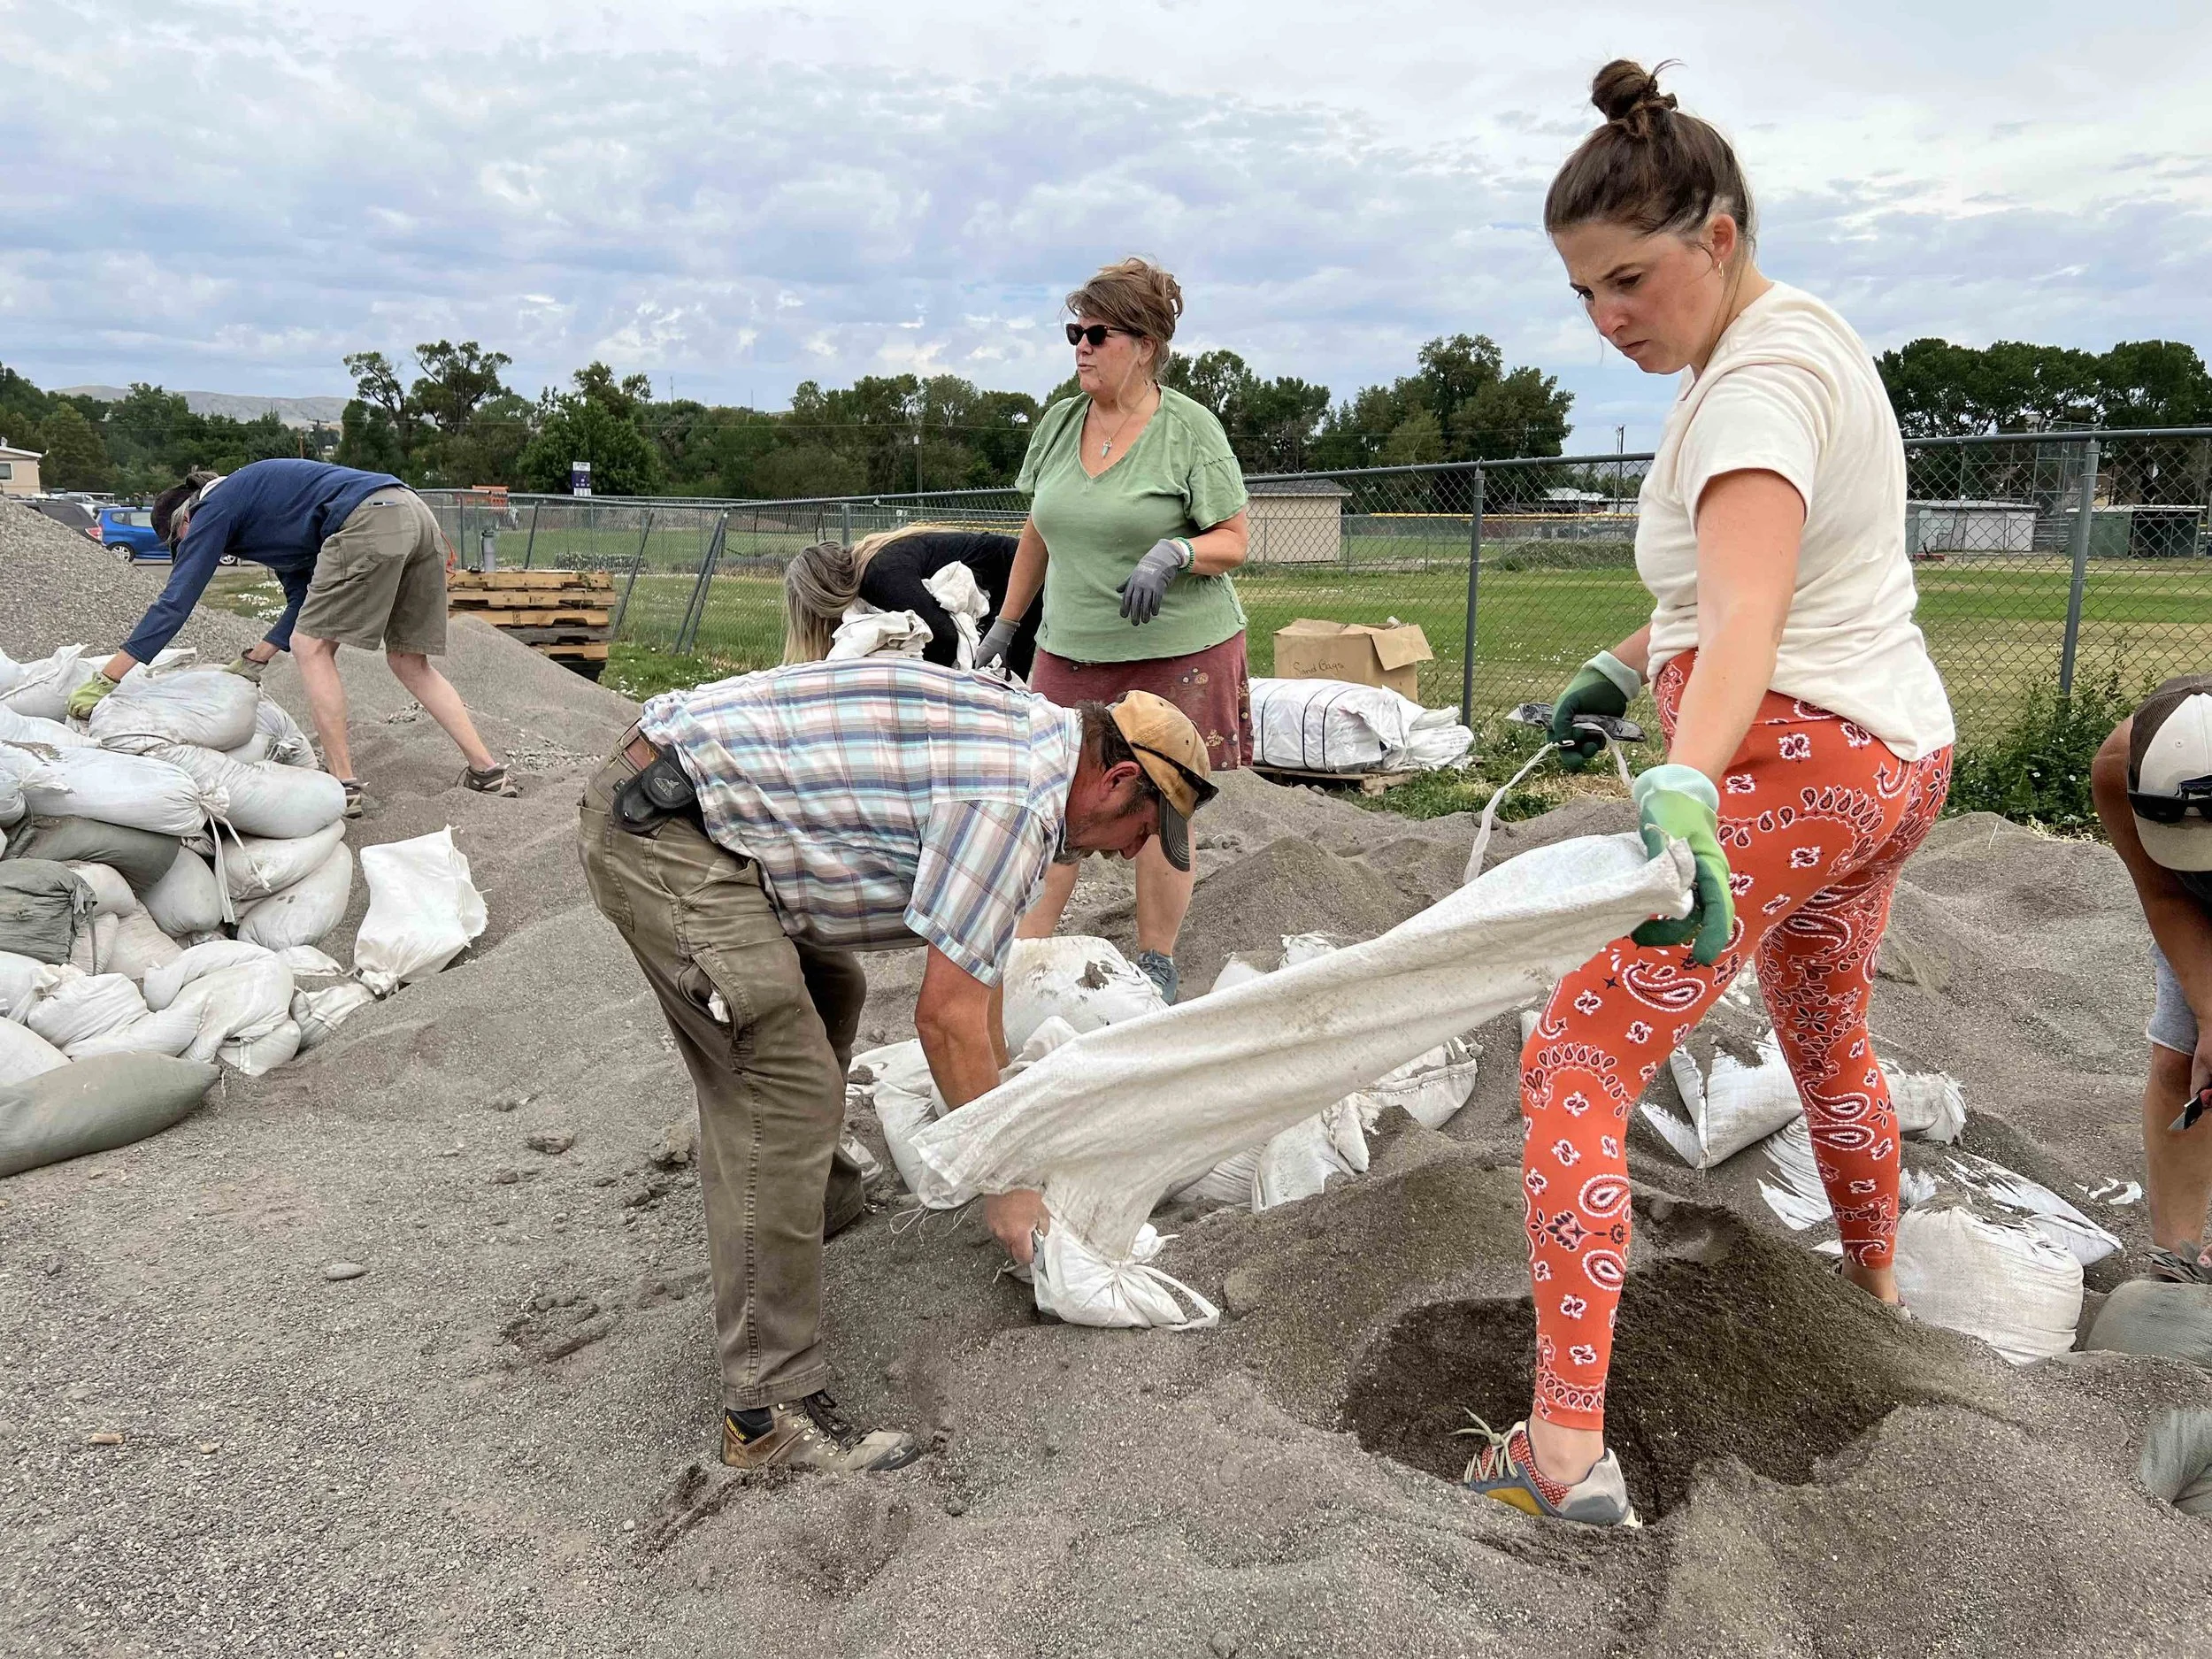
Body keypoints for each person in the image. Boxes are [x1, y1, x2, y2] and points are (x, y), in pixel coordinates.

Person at [1459, 60, 1956, 1527]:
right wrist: (1625, 666)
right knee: (1824, 1034)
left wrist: (1682, 776)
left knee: (1573, 1061)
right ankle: (1876, 1285)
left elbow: (1745, 621)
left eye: (1629, 280)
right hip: (1893, 761)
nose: (1609, 320)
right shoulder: (1796, 344)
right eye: (1582, 294)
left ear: (1717, 238)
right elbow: (1746, 596)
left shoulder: (1755, 389)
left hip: (1791, 765)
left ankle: (1557, 1458)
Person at [577, 657, 1216, 1473]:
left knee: (829, 987)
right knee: (786, 1076)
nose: (1131, 855)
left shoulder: (1040, 744)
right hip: (664, 830)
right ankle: (765, 1410)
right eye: (1141, 830)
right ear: (1117, 777)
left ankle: (808, 1200)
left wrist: (1012, 1109)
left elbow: (978, 987)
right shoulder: (1015, 804)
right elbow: (945, 1020)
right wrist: (1008, 1186)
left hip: (700, 800)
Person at [982, 257, 1252, 1007]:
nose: (1081, 347)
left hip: (1179, 653)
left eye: (1097, 333)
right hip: (1071, 647)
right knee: (1053, 796)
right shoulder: (1061, 422)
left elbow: (1235, 537)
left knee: (1164, 800)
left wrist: (1177, 552)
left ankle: (1156, 963)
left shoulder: (1189, 430)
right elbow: (1038, 528)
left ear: (1143, 343)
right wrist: (1007, 625)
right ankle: (1028, 957)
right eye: (1075, 332)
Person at [66, 458, 518, 816]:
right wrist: (255, 660)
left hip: (367, 521)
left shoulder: (214, 507)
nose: (190, 547)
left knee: (312, 648)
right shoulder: (267, 507)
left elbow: (176, 602)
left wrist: (109, 677)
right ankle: (487, 771)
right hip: (416, 516)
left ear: (186, 518)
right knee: (408, 662)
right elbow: (302, 598)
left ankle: (342, 784)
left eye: (181, 541)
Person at [2092, 676, 2212, 1281]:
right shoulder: (2119, 767)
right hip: (2190, 898)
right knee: (2183, 1062)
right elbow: (2164, 891)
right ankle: (2179, 1259)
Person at [780, 525, 1041, 674]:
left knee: (999, 692)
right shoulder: (875, 565)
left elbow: (946, 638)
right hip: (1020, 576)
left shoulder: (880, 575)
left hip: (1023, 582)